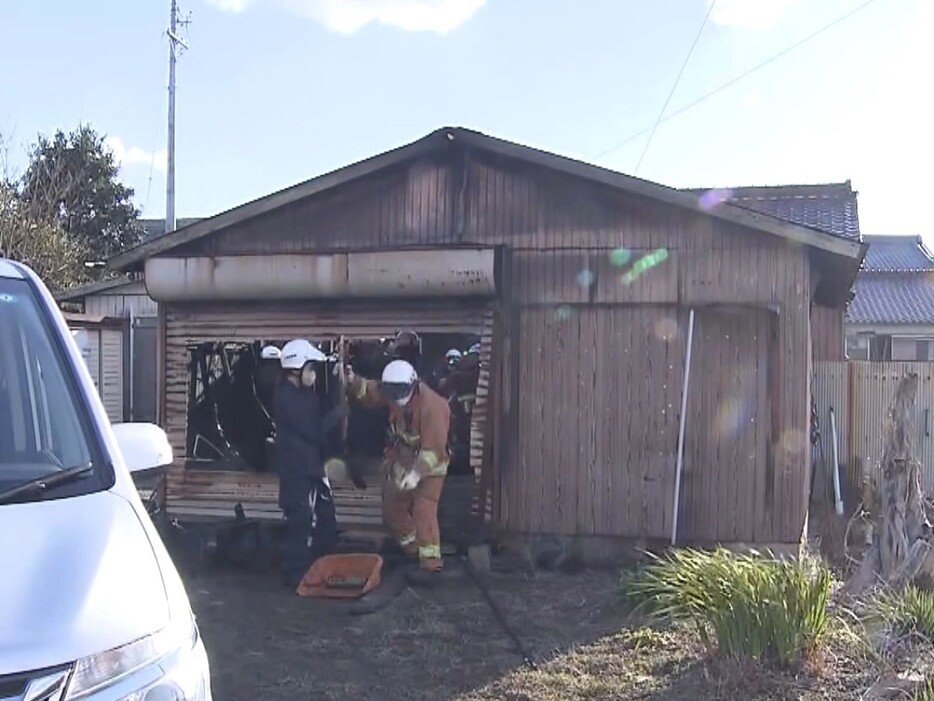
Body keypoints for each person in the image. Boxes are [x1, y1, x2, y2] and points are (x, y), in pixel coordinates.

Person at [345, 358, 451, 584]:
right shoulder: (395, 389)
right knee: (392, 508)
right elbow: (370, 392)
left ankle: (431, 564)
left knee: (424, 509)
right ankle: (413, 551)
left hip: (431, 467)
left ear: (413, 384)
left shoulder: (433, 407)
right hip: (404, 458)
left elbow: (433, 450)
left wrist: (416, 474)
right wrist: (353, 380)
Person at [275, 338, 345, 587]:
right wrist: (337, 413)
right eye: (311, 368)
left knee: (325, 519)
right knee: (302, 522)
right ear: (298, 367)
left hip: (311, 468)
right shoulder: (289, 397)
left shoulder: (303, 395)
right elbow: (313, 429)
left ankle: (321, 567)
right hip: (298, 471)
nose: (314, 374)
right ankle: (296, 574)